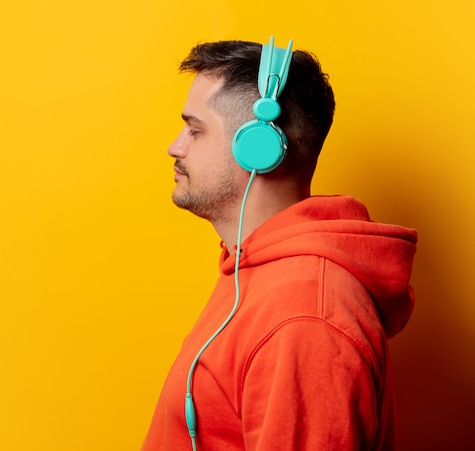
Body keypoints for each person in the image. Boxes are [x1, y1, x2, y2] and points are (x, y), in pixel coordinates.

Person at [141, 39, 417, 450]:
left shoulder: (304, 316)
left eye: (195, 130)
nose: (175, 146)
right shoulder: (253, 271)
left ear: (258, 150)